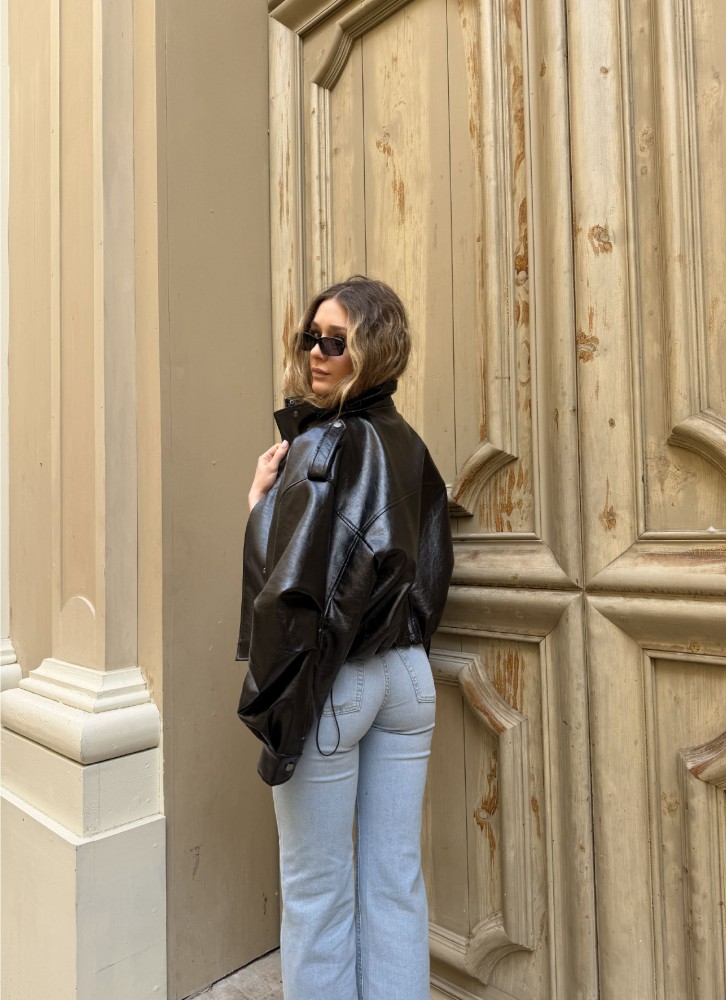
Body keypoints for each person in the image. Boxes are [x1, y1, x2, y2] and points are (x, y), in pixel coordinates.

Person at [236, 275, 453, 1000]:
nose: (317, 355)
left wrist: (259, 506)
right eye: (311, 338)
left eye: (338, 343)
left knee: (317, 892)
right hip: (409, 681)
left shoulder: (322, 448)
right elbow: (429, 563)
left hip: (339, 684)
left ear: (374, 352)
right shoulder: (410, 446)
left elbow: (291, 593)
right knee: (395, 882)